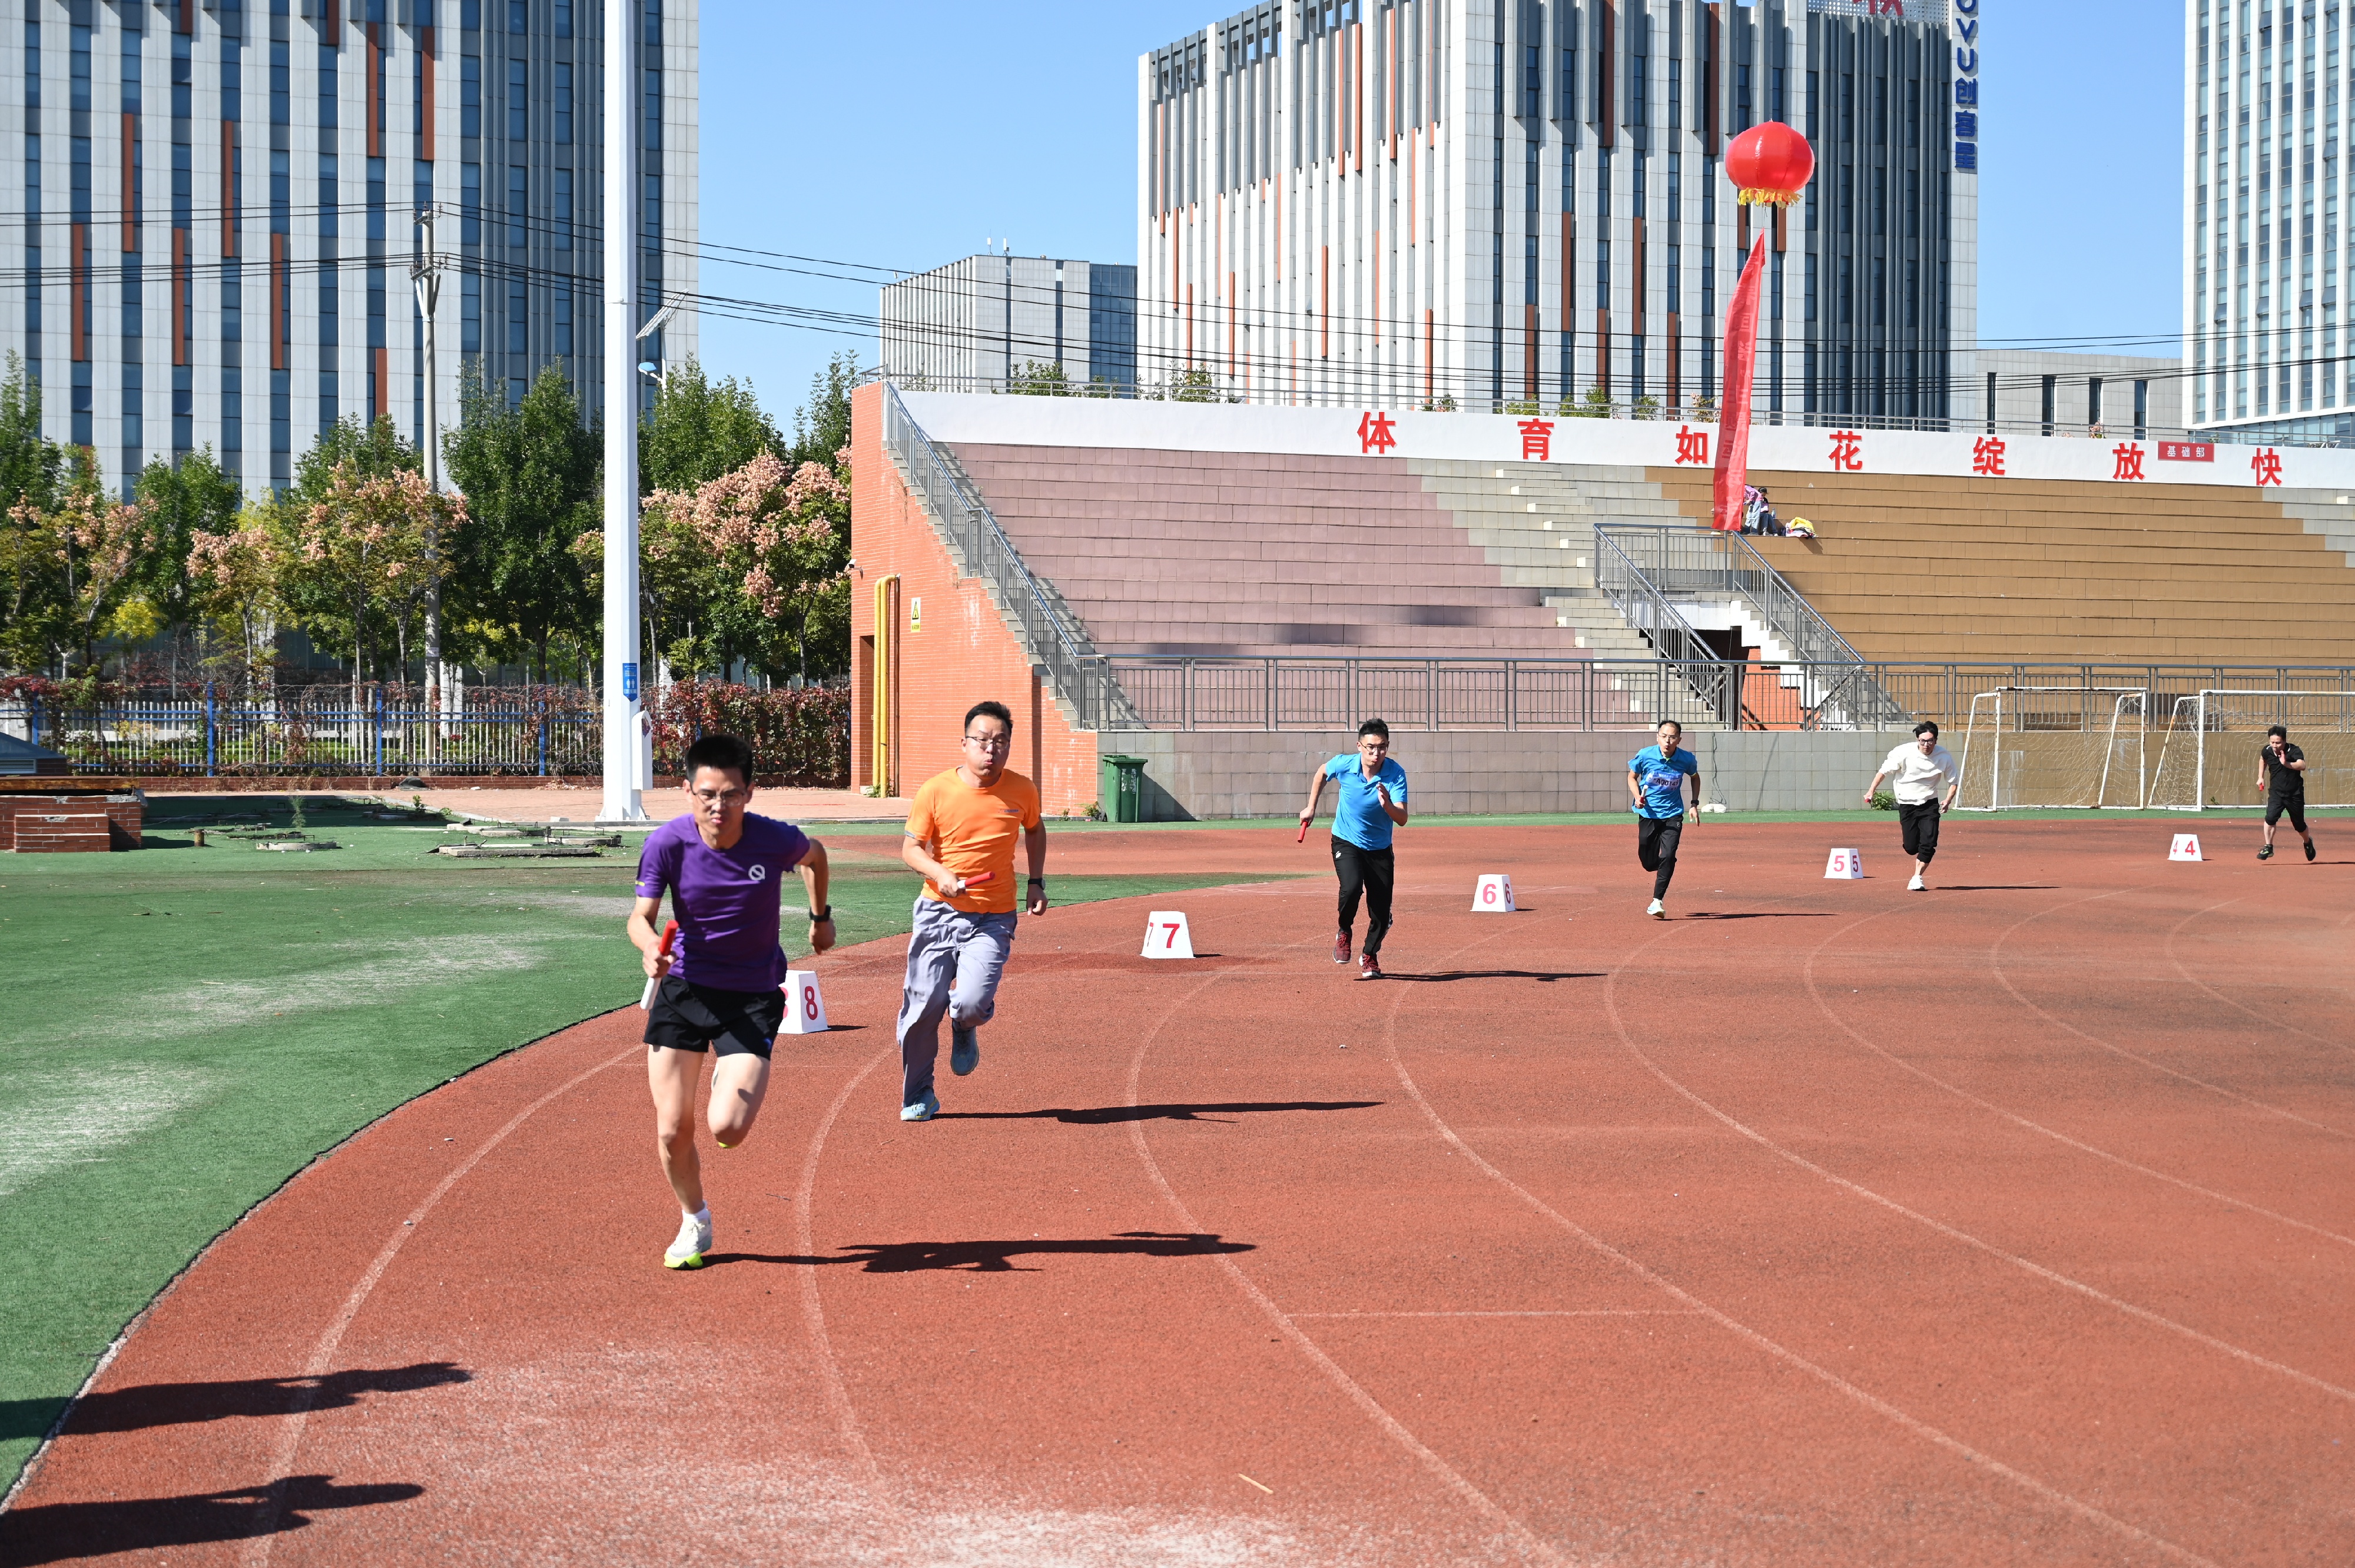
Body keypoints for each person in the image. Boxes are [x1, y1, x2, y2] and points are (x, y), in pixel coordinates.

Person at [628, 733, 833, 1270]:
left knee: (728, 1130)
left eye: (731, 795)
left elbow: (816, 856)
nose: (719, 807)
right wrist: (650, 948)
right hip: (683, 990)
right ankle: (694, 1218)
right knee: (672, 1130)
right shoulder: (667, 844)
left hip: (750, 996)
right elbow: (641, 918)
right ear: (688, 791)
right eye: (707, 794)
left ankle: (730, 1065)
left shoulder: (772, 839)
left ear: (749, 793)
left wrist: (820, 918)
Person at [894, 700, 1049, 1122]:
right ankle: (920, 1095)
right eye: (982, 741)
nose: (990, 750)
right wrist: (940, 873)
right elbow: (911, 849)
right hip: (938, 912)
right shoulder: (936, 790)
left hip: (993, 916)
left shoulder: (1022, 790)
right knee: (923, 1009)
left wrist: (1036, 881)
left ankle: (964, 1025)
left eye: (1000, 742)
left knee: (971, 1003)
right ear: (964, 744)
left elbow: (1035, 829)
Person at [1299, 719, 1411, 979]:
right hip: (1346, 839)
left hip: (1380, 848)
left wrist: (1388, 806)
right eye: (1371, 747)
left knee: (1381, 912)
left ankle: (1370, 955)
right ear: (1360, 746)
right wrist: (1311, 807)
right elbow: (1322, 773)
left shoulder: (1395, 773)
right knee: (1351, 888)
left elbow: (1403, 818)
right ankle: (1344, 931)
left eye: (1382, 747)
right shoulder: (1344, 764)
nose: (1376, 753)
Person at [1865, 721, 1962, 891]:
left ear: (1936, 740)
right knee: (1911, 847)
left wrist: (1948, 800)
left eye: (1930, 741)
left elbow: (1953, 782)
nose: (1926, 745)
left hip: (1929, 804)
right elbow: (1883, 772)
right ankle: (1915, 854)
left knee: (1929, 843)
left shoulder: (1944, 757)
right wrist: (1871, 791)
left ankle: (1917, 877)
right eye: (1922, 741)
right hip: (1907, 804)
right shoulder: (1903, 752)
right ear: (1917, 740)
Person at [1627, 720, 1701, 918]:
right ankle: (1663, 865)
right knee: (1648, 862)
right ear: (1658, 737)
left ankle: (1657, 901)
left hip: (1673, 814)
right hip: (1649, 814)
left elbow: (1695, 777)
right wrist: (1637, 797)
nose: (1668, 741)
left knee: (1668, 855)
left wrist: (1694, 804)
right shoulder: (1645, 755)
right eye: (1664, 736)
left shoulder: (1686, 759)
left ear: (1679, 740)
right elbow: (1632, 777)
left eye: (1673, 737)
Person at [2256, 723, 2317, 861]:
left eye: (2278, 743)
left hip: (2294, 794)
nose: (2275, 745)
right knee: (2270, 818)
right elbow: (2263, 760)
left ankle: (2307, 842)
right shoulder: (2267, 750)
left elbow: (2302, 765)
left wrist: (2286, 764)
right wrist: (2260, 777)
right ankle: (2268, 847)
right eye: (2272, 742)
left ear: (2284, 741)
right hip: (2276, 793)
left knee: (2299, 825)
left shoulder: (2294, 750)